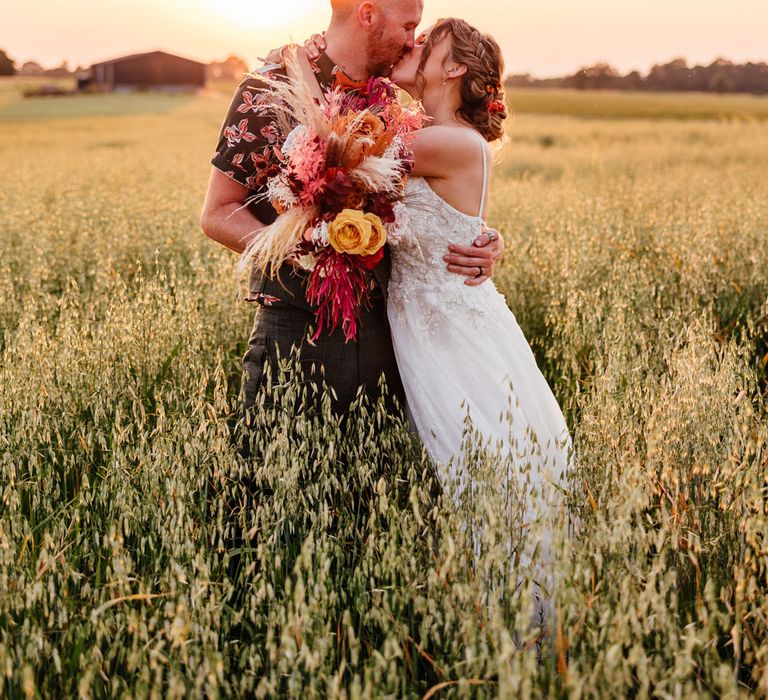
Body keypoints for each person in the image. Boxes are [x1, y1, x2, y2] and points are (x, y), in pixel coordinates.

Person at [199, 0, 505, 421]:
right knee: (268, 482)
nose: (413, 41)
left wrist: (482, 241)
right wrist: (301, 247)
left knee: (379, 483)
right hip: (297, 330)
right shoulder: (269, 88)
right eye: (409, 26)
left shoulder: (395, 106)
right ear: (367, 14)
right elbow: (217, 212)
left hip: (391, 338)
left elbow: (436, 200)